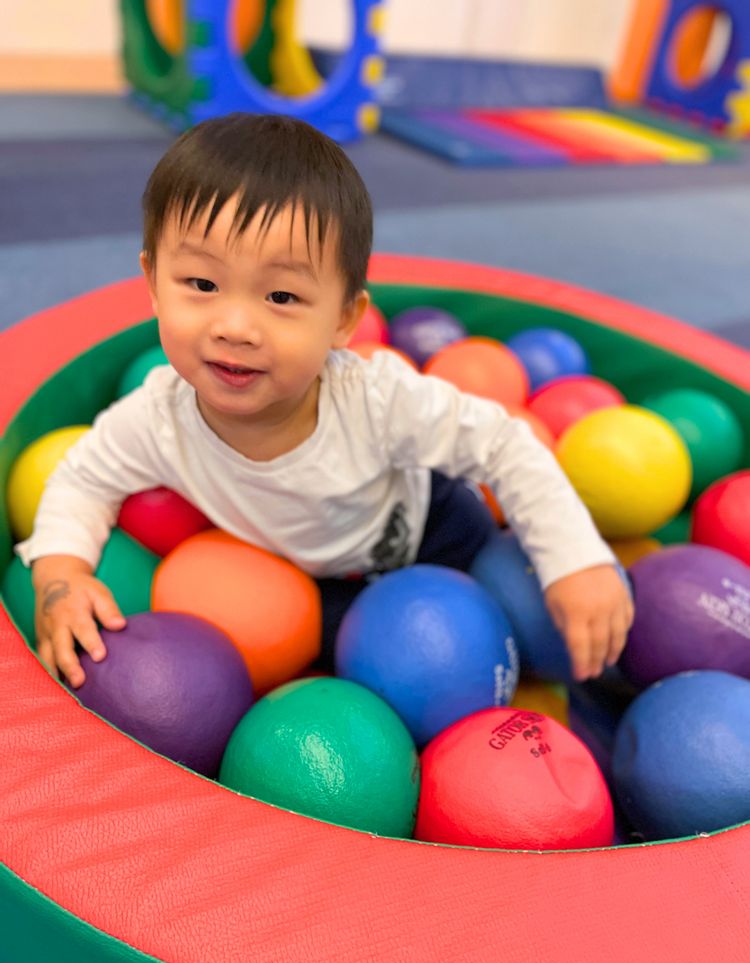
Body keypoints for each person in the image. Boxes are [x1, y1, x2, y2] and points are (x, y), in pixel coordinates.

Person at [18, 112, 633, 690]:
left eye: (281, 297)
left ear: (344, 320)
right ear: (153, 284)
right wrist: (60, 577)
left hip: (430, 528)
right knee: (341, 673)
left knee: (511, 621)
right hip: (317, 587)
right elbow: (80, 480)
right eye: (201, 285)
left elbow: (503, 443)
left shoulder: (376, 399)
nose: (235, 325)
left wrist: (576, 560)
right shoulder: (156, 420)